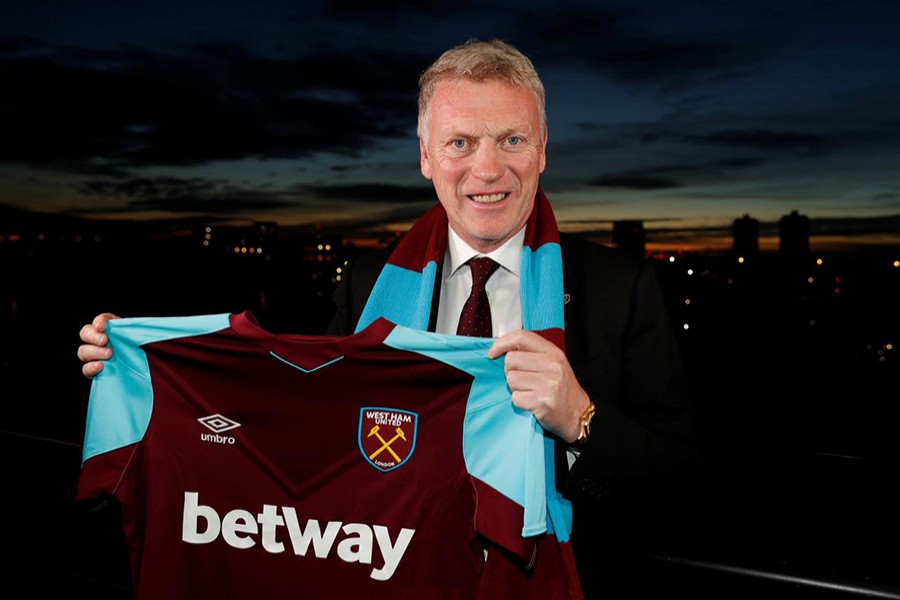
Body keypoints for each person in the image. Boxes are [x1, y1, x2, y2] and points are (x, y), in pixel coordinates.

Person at [78, 38, 701, 596]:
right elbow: (298, 423)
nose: (487, 169)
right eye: (461, 143)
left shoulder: (621, 288)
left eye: (512, 140)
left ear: (543, 151)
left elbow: (680, 476)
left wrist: (580, 420)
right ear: (427, 156)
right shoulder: (368, 284)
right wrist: (141, 369)